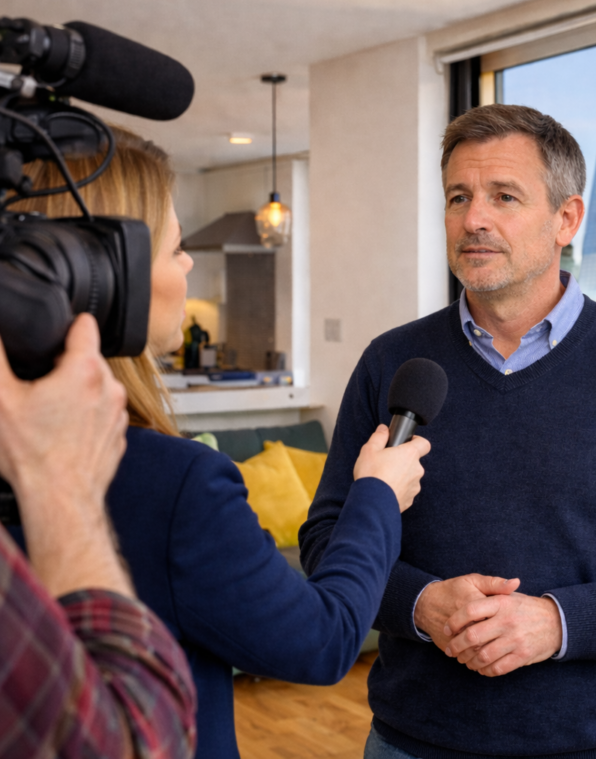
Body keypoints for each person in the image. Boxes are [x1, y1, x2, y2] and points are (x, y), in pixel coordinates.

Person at [299, 104, 596, 759]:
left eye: (504, 196)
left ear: (567, 219)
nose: (473, 218)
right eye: (459, 196)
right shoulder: (393, 363)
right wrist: (422, 605)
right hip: (414, 742)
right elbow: (326, 540)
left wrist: (557, 623)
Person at [12, 126, 431, 759]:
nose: (186, 267)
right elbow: (321, 640)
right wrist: (375, 493)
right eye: (176, 249)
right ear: (103, 277)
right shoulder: (178, 482)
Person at [0, 313, 196, 759]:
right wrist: (60, 481)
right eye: (175, 251)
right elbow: (132, 739)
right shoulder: (186, 475)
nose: (187, 265)